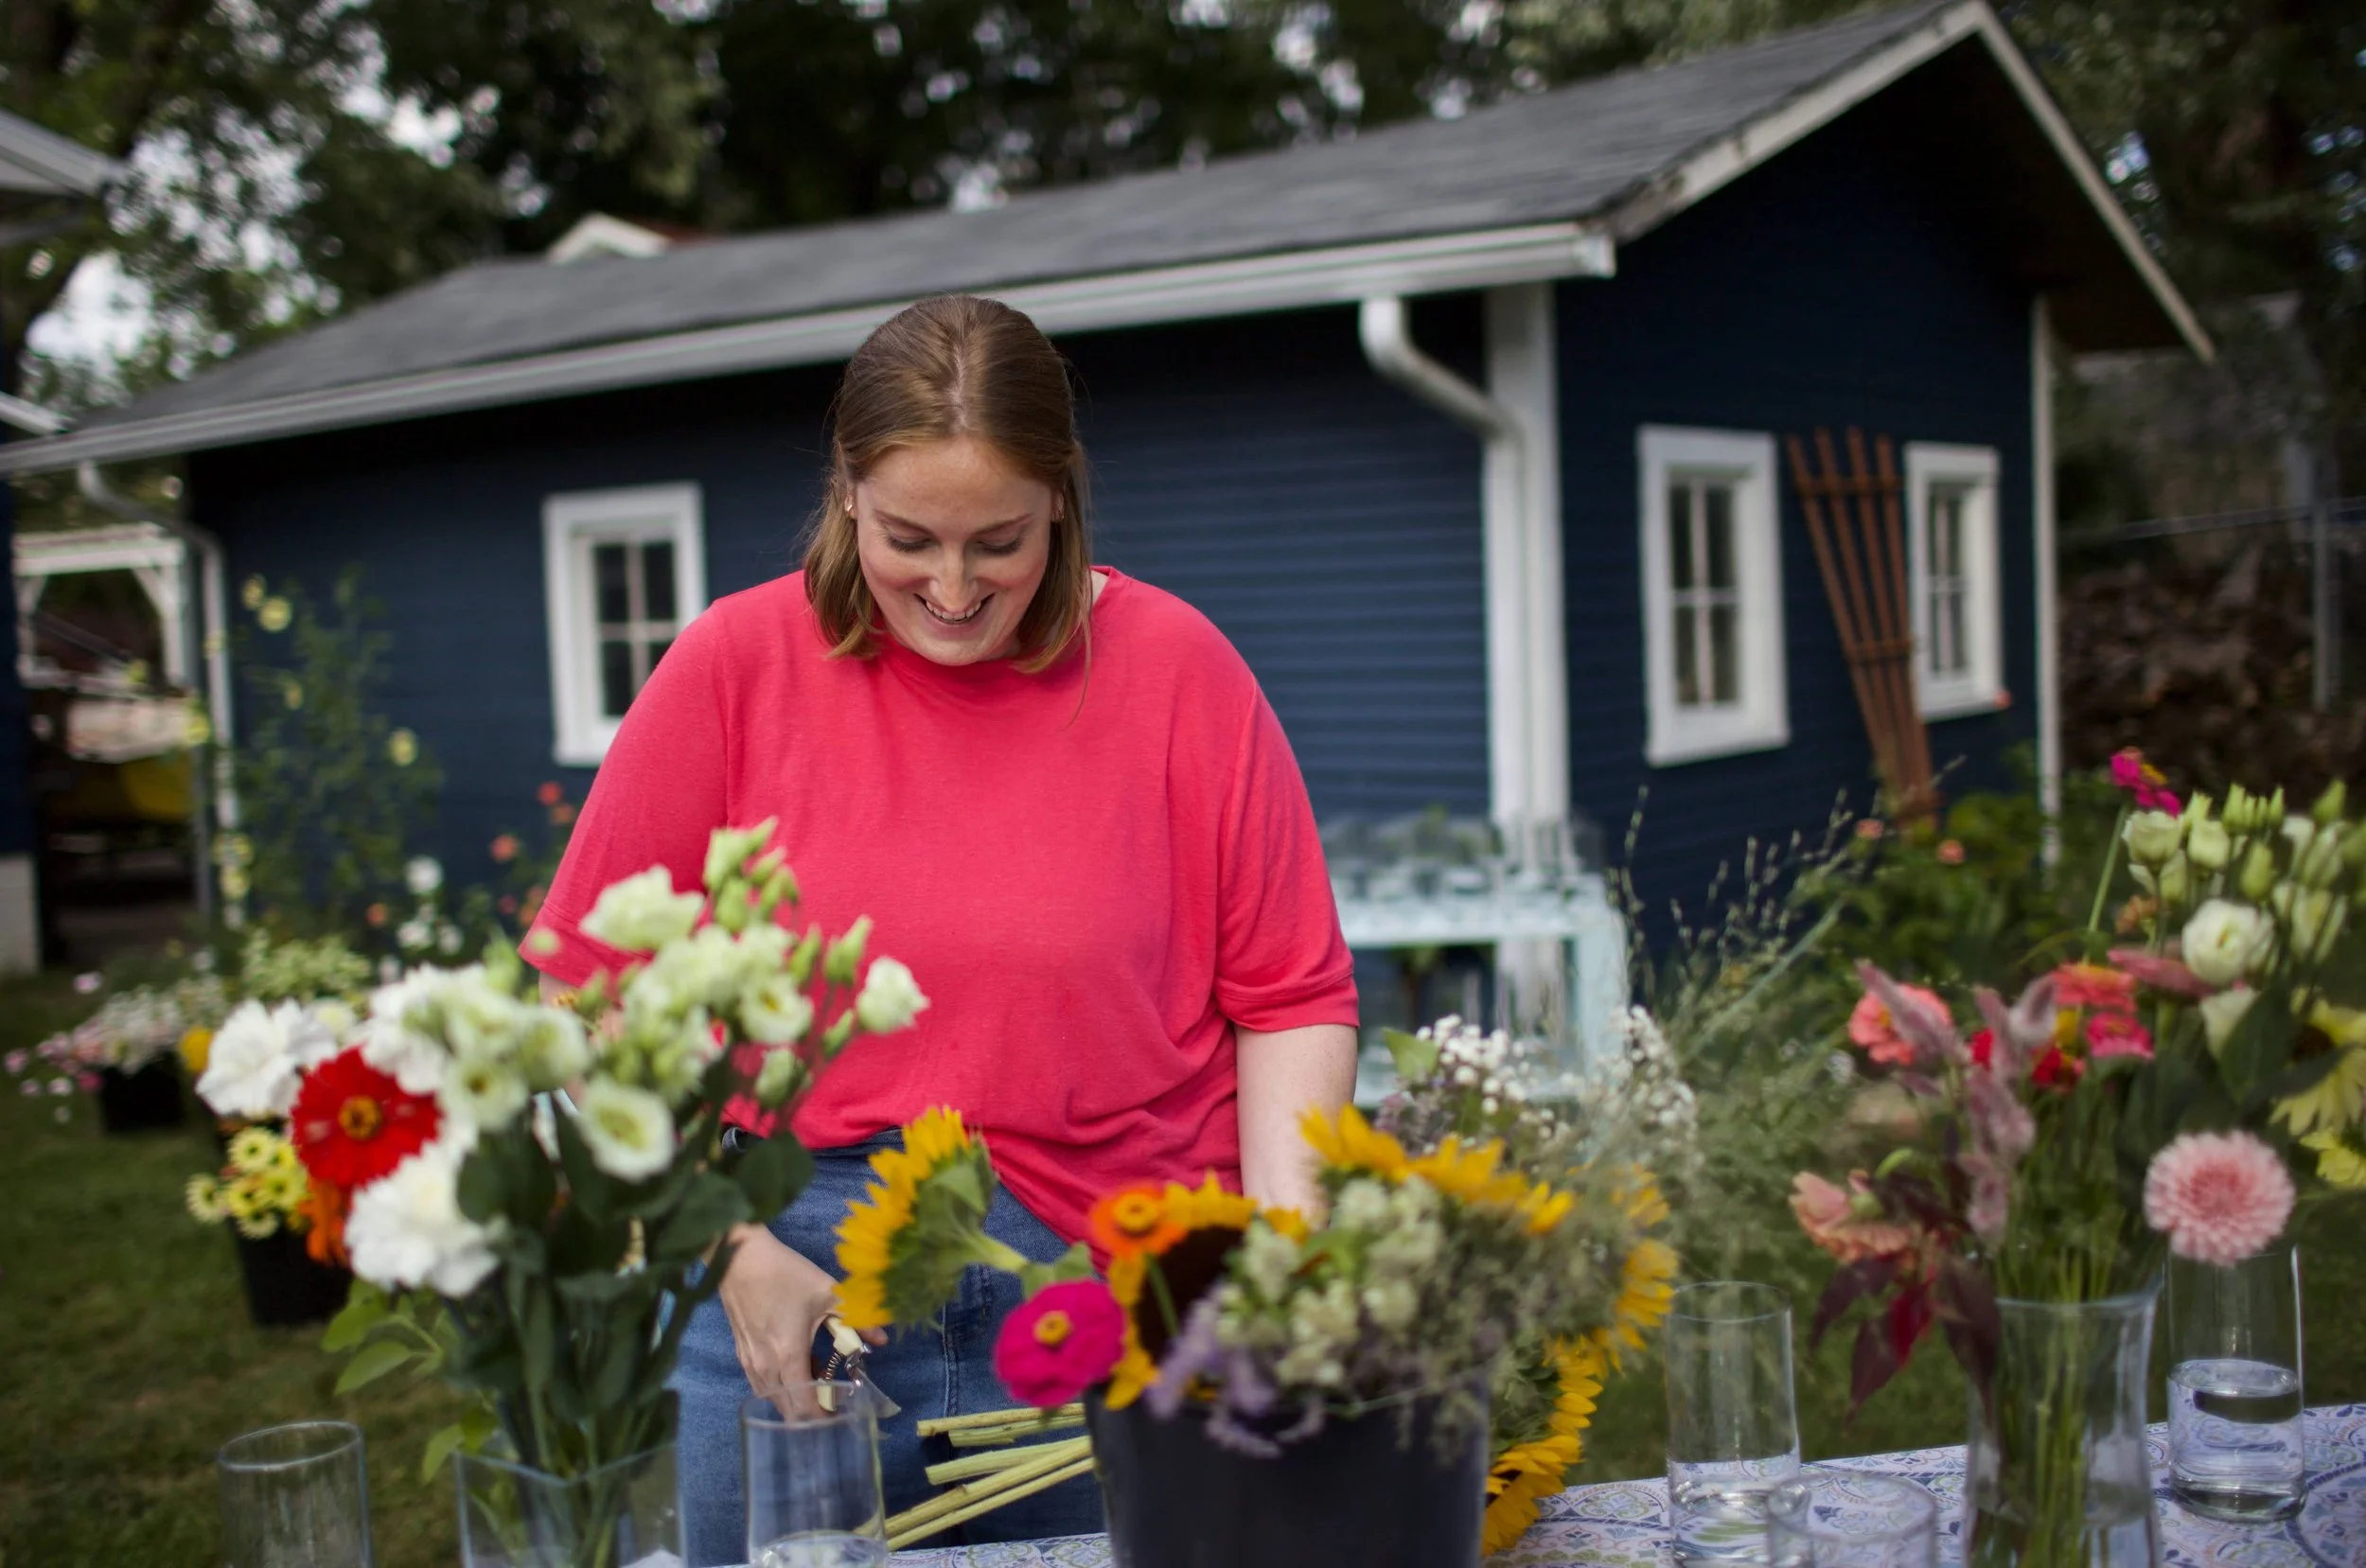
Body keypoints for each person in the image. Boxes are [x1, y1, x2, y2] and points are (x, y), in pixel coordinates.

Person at [523, 293, 1360, 1564]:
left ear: (1063, 502)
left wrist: (1284, 1274)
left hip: (1117, 1285)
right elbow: (578, 1006)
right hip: (789, 1293)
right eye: (911, 538)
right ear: (847, 491)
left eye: (1001, 544)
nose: (955, 591)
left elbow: (1288, 996)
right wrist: (724, 1242)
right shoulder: (734, 667)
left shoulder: (1180, 670)